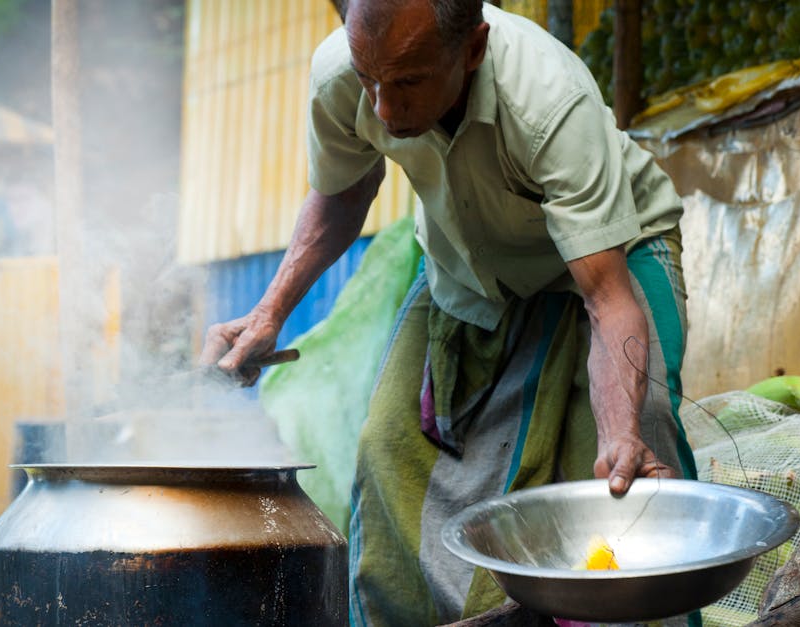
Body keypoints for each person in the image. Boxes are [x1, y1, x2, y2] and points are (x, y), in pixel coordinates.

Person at [200, 0, 698, 624]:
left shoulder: (549, 101)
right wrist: (269, 312)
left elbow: (606, 301)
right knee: (387, 445)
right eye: (370, 80)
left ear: (473, 49)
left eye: (408, 82)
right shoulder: (341, 74)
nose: (384, 109)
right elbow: (344, 192)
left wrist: (621, 432)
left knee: (633, 454)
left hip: (615, 256)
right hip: (467, 264)